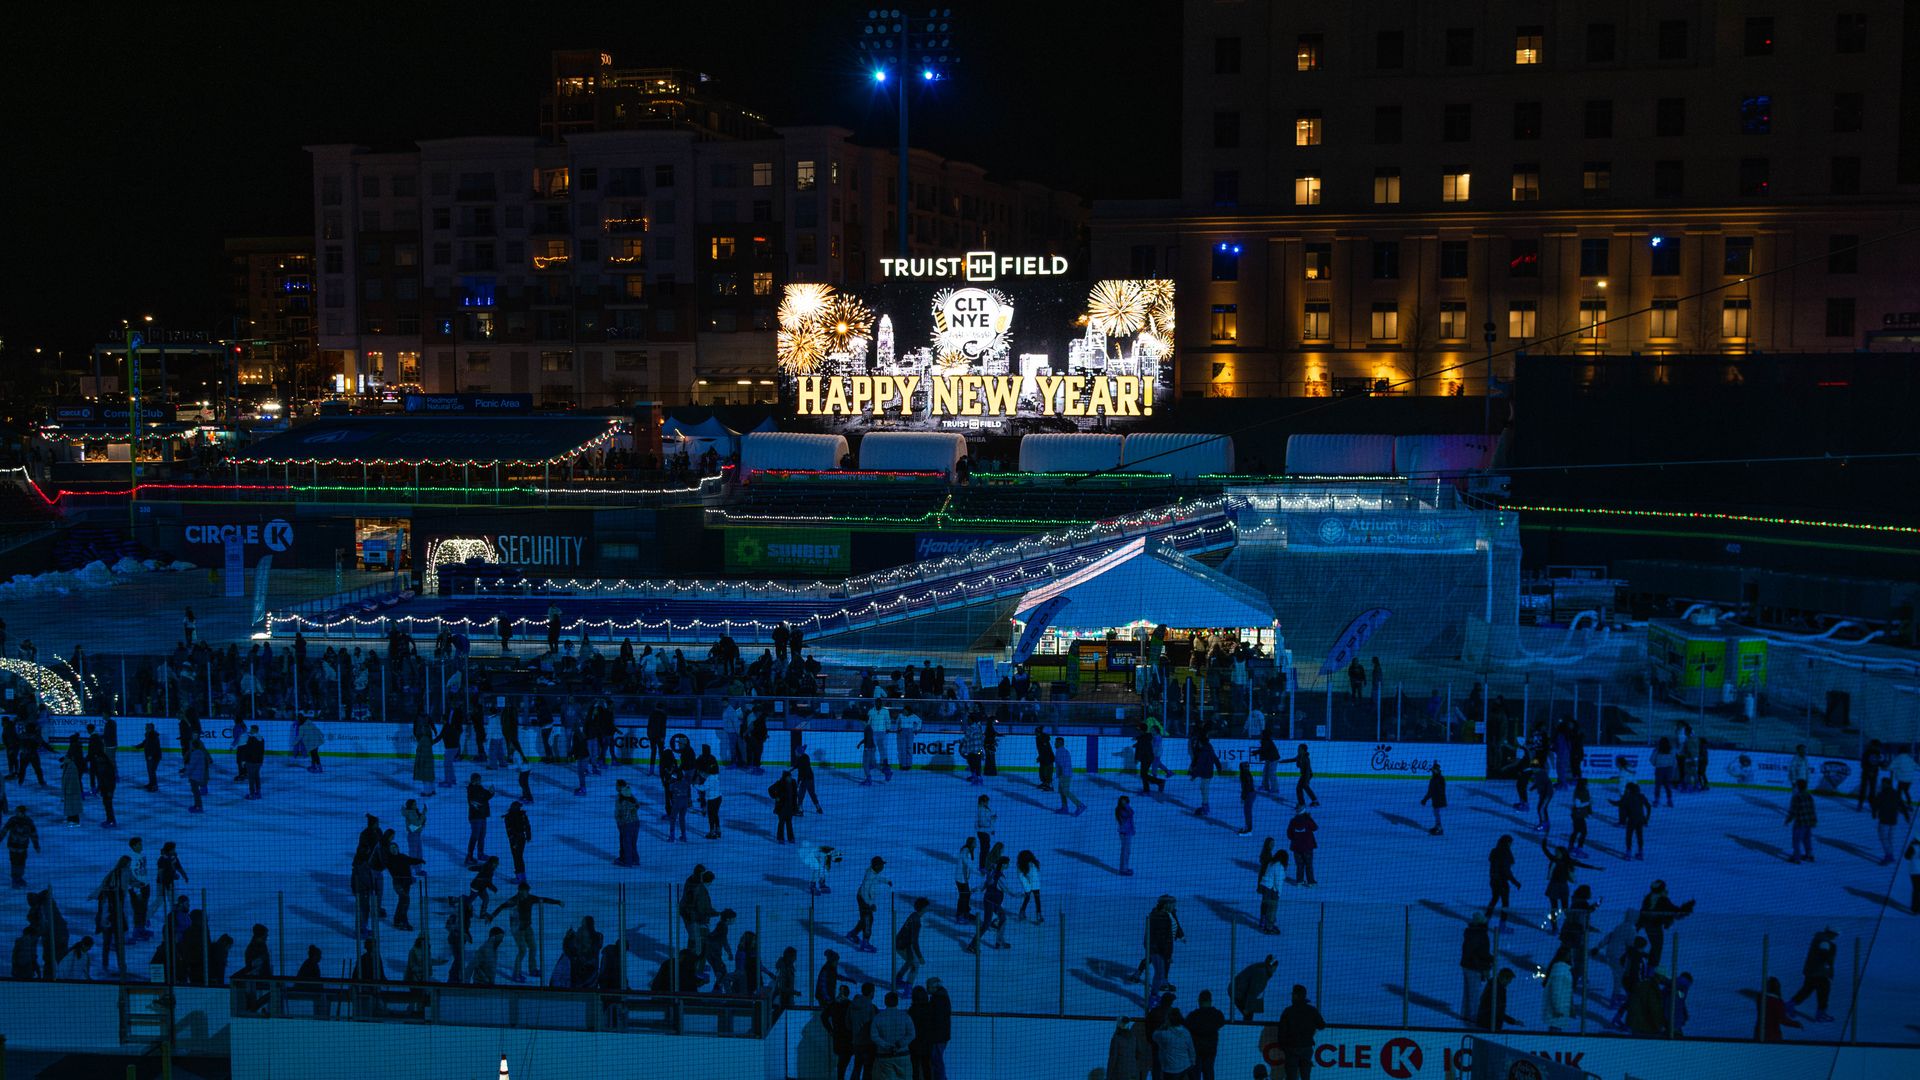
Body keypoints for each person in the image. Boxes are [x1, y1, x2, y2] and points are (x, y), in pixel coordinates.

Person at [1273, 985, 1325, 1080]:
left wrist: (1283, 1047)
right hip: (1306, 1047)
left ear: (1296, 996)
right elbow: (1322, 1025)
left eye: (1293, 994)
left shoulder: (1288, 1011)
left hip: (1291, 1048)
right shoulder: (1312, 1011)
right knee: (1305, 1076)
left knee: (1291, 1076)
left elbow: (1281, 1032)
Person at [1788, 927, 1839, 1022]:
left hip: (1812, 972)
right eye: (1835, 934)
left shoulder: (1819, 939)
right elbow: (1824, 954)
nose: (1836, 936)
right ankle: (1821, 1013)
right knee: (1823, 992)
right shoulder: (1825, 941)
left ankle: (1791, 1004)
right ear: (1831, 933)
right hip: (1820, 973)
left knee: (1806, 990)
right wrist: (1827, 965)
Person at [870, 989, 917, 1080]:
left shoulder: (878, 1017)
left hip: (884, 1056)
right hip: (903, 1054)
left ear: (885, 1002)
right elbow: (911, 1034)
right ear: (897, 1002)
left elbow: (874, 1036)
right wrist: (899, 1044)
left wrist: (886, 1046)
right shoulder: (905, 1016)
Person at [849, 856, 890, 953]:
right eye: (881, 865)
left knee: (865, 919)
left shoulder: (873, 873)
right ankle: (865, 943)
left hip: (864, 899)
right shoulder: (869, 876)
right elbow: (864, 891)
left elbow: (877, 878)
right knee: (868, 920)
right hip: (864, 900)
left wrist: (886, 881)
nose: (882, 867)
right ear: (876, 866)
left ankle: (853, 934)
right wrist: (870, 904)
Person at [1145, 894, 1184, 994]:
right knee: (1159, 973)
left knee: (1160, 973)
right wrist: (1167, 955)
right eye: (1173, 904)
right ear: (1167, 905)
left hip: (1162, 949)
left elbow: (1174, 927)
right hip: (1158, 949)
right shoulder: (1160, 916)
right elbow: (1162, 938)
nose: (1175, 906)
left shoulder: (1168, 913)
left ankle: (1159, 989)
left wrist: (1180, 935)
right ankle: (1153, 997)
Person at [1460, 911, 1493, 1022]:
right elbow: (1479, 952)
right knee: (1474, 993)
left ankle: (1465, 1013)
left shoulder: (1471, 932)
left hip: (1467, 964)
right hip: (1474, 966)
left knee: (1468, 991)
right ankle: (1473, 1015)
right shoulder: (1480, 934)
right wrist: (1487, 961)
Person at [892, 896, 928, 989]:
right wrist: (920, 957)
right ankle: (908, 988)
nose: (928, 909)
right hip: (902, 945)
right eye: (927, 907)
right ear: (923, 908)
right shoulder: (917, 922)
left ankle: (897, 980)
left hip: (900, 942)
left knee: (910, 961)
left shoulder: (913, 915)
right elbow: (914, 942)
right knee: (915, 964)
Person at [1872, 778, 1910, 864]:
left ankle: (1888, 855)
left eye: (1883, 784)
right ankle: (1891, 855)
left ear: (1886, 784)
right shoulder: (1896, 793)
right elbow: (1902, 805)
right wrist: (1906, 816)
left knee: (1883, 838)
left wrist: (1874, 813)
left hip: (1884, 819)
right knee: (1890, 838)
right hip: (1893, 820)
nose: (1881, 785)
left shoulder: (1881, 794)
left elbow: (1875, 804)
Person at [1611, 781, 1651, 860]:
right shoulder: (1641, 796)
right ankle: (1641, 852)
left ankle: (1628, 853)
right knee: (1639, 836)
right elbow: (1649, 807)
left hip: (1632, 820)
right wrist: (1646, 819)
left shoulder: (1628, 798)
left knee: (1629, 836)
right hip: (1640, 819)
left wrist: (1610, 801)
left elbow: (1619, 804)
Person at [1231, 955, 1279, 1021]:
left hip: (1236, 988)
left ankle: (1246, 1023)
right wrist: (1247, 1008)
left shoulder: (1262, 968)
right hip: (1237, 991)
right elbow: (1253, 991)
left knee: (1250, 1011)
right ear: (1272, 966)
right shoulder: (1262, 974)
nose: (1275, 969)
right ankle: (1247, 1025)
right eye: (1275, 966)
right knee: (1249, 1012)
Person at [1485, 835, 1520, 926]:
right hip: (1502, 882)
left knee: (1494, 899)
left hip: (1493, 881)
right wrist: (1515, 882)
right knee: (1505, 903)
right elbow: (1506, 871)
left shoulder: (1494, 851)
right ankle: (1502, 925)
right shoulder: (1506, 853)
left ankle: (1486, 920)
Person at [1153, 1011, 1197, 1080]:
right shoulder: (1186, 1032)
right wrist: (1192, 1062)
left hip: (1171, 1069)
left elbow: (1154, 1036)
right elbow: (1191, 1049)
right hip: (1185, 1066)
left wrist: (1163, 1026)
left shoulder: (1164, 1034)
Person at [1255, 838, 1286, 934]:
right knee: (1270, 905)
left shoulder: (1268, 856)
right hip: (1268, 885)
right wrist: (1278, 893)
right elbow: (1278, 881)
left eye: (1274, 843)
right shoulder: (1269, 857)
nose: (1273, 845)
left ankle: (1265, 921)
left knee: (1266, 903)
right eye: (1271, 843)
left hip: (1265, 883)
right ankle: (1267, 923)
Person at [1106, 1016, 1152, 1080]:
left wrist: (1109, 1074)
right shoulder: (1133, 1037)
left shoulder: (1116, 1039)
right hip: (1133, 1071)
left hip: (1120, 1072)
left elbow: (1113, 1057)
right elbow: (1139, 1052)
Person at [4, 807, 40, 888]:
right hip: (13, 847)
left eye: (18, 812)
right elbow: (4, 830)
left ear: (23, 813)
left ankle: (19, 878)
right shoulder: (12, 820)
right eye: (16, 812)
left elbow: (33, 835)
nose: (17, 813)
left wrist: (36, 845)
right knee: (14, 863)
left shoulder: (28, 822)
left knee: (21, 863)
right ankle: (15, 880)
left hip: (23, 847)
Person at [1543, 946, 1575, 1031]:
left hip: (1561, 1009)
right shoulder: (1560, 970)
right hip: (1558, 1010)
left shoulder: (1563, 969)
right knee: (1555, 1031)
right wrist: (1556, 1009)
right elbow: (1555, 990)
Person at [1786, 778, 1818, 863]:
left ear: (1798, 787)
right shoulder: (1809, 795)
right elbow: (1812, 809)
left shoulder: (1796, 797)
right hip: (1809, 822)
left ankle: (1796, 858)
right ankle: (1809, 855)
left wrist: (1788, 820)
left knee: (1796, 840)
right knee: (1807, 839)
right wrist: (1814, 821)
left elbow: (1793, 810)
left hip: (1800, 822)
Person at [1762, 976, 1801, 1042]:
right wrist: (1796, 1024)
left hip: (1762, 1034)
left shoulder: (1761, 999)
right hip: (1773, 1036)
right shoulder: (1777, 1002)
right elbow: (1782, 1019)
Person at [1054, 737, 1087, 815]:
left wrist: (1060, 774)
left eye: (1056, 742)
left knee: (1065, 791)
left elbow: (1062, 764)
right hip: (1064, 774)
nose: (1055, 744)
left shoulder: (1060, 752)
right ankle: (1064, 808)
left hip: (1064, 775)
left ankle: (1080, 805)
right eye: (1055, 742)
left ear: (1060, 743)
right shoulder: (1061, 751)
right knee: (1062, 792)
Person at [1286, 809, 1317, 886]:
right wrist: (1309, 817)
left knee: (1299, 865)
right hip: (1308, 847)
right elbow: (1315, 827)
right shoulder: (1307, 820)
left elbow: (1289, 834)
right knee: (1309, 864)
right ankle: (1311, 882)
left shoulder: (1293, 821)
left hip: (1296, 847)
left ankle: (1299, 881)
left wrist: (1296, 839)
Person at [768, 769, 799, 845]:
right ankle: (780, 838)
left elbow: (795, 796)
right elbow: (770, 789)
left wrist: (795, 807)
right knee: (781, 823)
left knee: (789, 823)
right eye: (788, 777)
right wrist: (776, 797)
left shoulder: (793, 783)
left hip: (790, 807)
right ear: (785, 778)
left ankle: (791, 838)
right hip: (781, 807)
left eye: (790, 777)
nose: (790, 778)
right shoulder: (780, 783)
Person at [1420, 762, 1447, 835]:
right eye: (1433, 770)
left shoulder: (1440, 778)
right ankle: (1437, 827)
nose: (1433, 771)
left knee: (1437, 813)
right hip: (1435, 800)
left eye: (1435, 770)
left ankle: (1439, 829)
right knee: (1436, 813)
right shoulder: (1433, 779)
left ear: (1438, 770)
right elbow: (1430, 791)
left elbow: (1441, 789)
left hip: (1439, 799)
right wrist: (1425, 799)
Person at [1115, 795, 1137, 876]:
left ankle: (1125, 867)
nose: (1124, 802)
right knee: (1125, 851)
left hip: (1128, 832)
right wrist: (1126, 806)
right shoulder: (1120, 810)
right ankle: (1123, 869)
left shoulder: (1126, 809)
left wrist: (1133, 829)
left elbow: (1131, 819)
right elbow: (1130, 813)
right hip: (1124, 833)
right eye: (1122, 801)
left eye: (1125, 801)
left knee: (1127, 851)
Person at [974, 795, 996, 871]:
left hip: (985, 831)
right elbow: (983, 823)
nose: (987, 803)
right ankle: (983, 866)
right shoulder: (981, 810)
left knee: (986, 849)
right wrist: (992, 819)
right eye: (986, 801)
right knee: (984, 850)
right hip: (983, 832)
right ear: (982, 802)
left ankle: (984, 865)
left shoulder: (985, 809)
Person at [1236, 762, 1257, 836]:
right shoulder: (1248, 773)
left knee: (1247, 812)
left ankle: (1248, 830)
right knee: (1248, 812)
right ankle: (1248, 828)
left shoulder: (1243, 775)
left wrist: (1243, 797)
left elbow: (1245, 787)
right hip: (1252, 793)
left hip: (1249, 794)